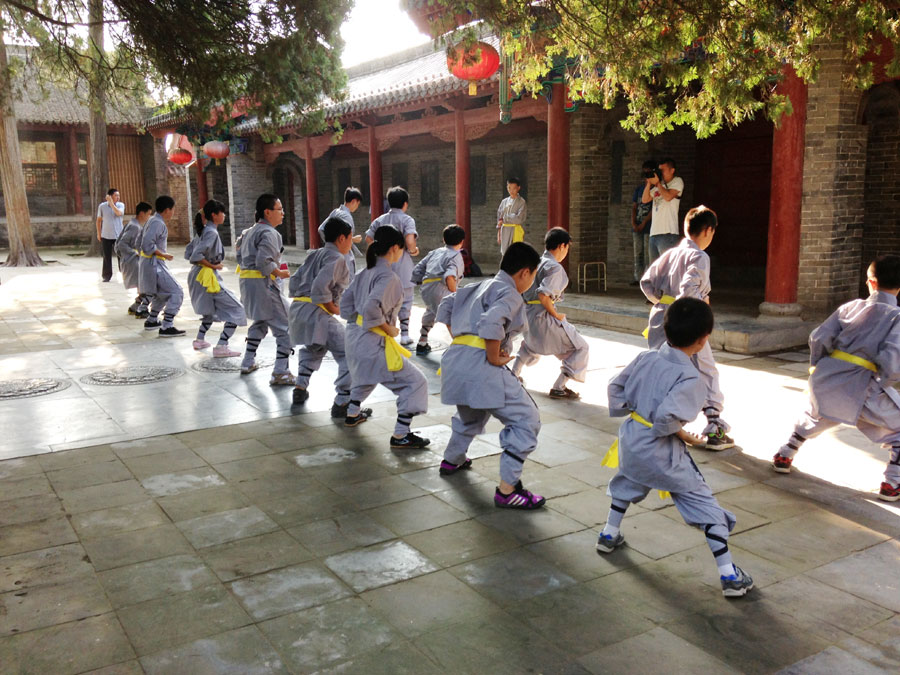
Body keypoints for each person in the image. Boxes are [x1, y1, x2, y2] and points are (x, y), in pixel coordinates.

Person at [598, 298, 754, 598]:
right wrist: (685, 435)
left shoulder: (646, 358)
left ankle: (608, 534)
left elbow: (614, 386)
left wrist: (633, 409)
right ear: (702, 340)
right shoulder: (691, 378)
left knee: (628, 480)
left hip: (631, 440)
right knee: (703, 503)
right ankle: (729, 576)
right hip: (661, 453)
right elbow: (667, 417)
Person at [772, 254, 900, 502]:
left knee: (815, 415)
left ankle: (784, 454)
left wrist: (817, 369)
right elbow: (892, 359)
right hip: (864, 387)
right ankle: (892, 483)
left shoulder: (849, 307)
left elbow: (818, 338)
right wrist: (882, 384)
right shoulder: (896, 317)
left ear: (870, 282)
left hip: (828, 380)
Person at [437, 241, 546, 509]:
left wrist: (463, 339)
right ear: (524, 273)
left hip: (456, 359)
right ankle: (508, 490)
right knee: (526, 419)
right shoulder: (510, 294)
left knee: (471, 413)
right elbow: (491, 321)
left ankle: (452, 459)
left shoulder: (479, 284)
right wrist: (492, 355)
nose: (530, 282)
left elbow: (446, 304)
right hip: (481, 363)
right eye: (532, 276)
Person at [640, 206, 733, 451]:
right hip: (687, 321)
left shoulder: (671, 253)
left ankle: (662, 419)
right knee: (705, 370)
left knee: (664, 370)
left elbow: (646, 282)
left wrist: (662, 301)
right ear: (709, 230)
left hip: (661, 319)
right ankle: (714, 427)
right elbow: (689, 290)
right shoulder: (699, 256)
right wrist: (699, 309)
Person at [341, 225, 430, 447]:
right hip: (372, 342)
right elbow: (372, 307)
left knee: (368, 374)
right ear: (393, 249)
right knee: (416, 382)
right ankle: (401, 434)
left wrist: (362, 321)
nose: (402, 253)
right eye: (402, 249)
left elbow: (345, 305)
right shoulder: (389, 277)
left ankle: (352, 413)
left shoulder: (364, 272)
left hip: (355, 338)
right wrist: (388, 328)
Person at [511, 227, 589, 399]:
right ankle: (559, 386)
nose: (566, 252)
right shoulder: (554, 267)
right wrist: (556, 314)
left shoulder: (535, 263)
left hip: (527, 314)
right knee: (581, 346)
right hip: (542, 315)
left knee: (530, 345)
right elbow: (543, 295)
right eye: (567, 248)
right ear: (562, 246)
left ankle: (513, 375)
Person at [289, 215, 354, 414]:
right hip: (316, 312)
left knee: (314, 347)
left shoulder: (314, 254)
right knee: (349, 351)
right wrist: (335, 309)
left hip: (298, 310)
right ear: (342, 238)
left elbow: (294, 281)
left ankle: (300, 386)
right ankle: (343, 400)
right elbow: (319, 289)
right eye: (350, 238)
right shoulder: (337, 258)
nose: (351, 244)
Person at [238, 194, 293, 385]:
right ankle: (280, 372)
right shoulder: (269, 233)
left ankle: (247, 362)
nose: (283, 213)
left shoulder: (249, 231)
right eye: (280, 209)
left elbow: (241, 255)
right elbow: (264, 262)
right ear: (267, 212)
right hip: (265, 287)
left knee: (260, 322)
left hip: (249, 286)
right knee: (286, 329)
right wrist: (279, 273)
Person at [185, 199, 247, 357]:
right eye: (222, 213)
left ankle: (199, 339)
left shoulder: (203, 231)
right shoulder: (211, 232)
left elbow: (188, 253)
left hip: (198, 276)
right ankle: (222, 345)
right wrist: (213, 266)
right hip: (206, 276)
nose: (224, 215)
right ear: (214, 215)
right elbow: (195, 255)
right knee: (238, 309)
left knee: (210, 310)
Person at [364, 186, 419, 346]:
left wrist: (381, 250)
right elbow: (409, 241)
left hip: (383, 267)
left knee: (385, 300)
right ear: (405, 204)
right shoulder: (407, 220)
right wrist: (414, 250)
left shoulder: (380, 220)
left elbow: (368, 239)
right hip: (403, 268)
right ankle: (405, 334)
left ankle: (387, 332)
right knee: (406, 301)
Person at [411, 224, 465, 355]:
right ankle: (460, 348)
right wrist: (455, 294)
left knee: (431, 311)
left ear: (444, 240)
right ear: (462, 241)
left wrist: (419, 280)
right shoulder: (456, 256)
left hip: (426, 288)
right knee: (452, 315)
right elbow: (450, 276)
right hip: (441, 289)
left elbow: (418, 269)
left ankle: (422, 342)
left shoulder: (435, 252)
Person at [138, 195, 184, 337]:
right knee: (177, 291)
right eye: (172, 209)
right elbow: (147, 244)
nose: (173, 212)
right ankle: (167, 326)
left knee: (162, 292)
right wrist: (162, 254)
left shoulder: (152, 220)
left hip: (151, 263)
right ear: (167, 210)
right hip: (154, 264)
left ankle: (152, 320)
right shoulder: (158, 223)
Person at [115, 201, 152, 318]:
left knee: (143, 286)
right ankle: (141, 309)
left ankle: (135, 306)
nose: (149, 217)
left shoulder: (133, 224)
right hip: (133, 262)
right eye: (148, 214)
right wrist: (135, 254)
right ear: (142, 213)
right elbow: (121, 244)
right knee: (147, 285)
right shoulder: (135, 227)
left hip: (132, 261)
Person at [642, 158, 683, 261]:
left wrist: (658, 184)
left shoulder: (677, 181)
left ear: (672, 170)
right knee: (654, 270)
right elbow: (645, 200)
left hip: (668, 233)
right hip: (654, 233)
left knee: (667, 269)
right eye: (658, 170)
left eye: (662, 170)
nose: (660, 173)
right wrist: (649, 183)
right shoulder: (658, 186)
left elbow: (668, 197)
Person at [318, 186, 364, 276]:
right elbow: (344, 237)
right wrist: (352, 240)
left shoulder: (335, 212)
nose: (357, 207)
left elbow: (321, 229)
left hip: (333, 253)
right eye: (358, 204)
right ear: (354, 201)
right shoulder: (347, 217)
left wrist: (331, 243)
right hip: (344, 254)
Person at [630, 161, 655, 285]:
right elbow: (634, 206)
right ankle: (637, 277)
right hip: (638, 223)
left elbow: (654, 209)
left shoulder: (655, 190)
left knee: (647, 254)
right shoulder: (639, 190)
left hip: (649, 225)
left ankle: (646, 278)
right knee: (637, 252)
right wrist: (633, 222)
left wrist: (644, 222)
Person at [97, 188, 125, 282]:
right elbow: (98, 220)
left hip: (119, 235)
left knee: (121, 256)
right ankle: (106, 276)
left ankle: (124, 274)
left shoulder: (121, 205)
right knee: (106, 256)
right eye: (116, 195)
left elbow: (118, 213)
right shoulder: (102, 206)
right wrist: (99, 233)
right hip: (106, 235)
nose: (118, 197)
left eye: (118, 195)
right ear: (110, 196)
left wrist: (112, 203)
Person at [497, 177, 527, 256]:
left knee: (516, 253)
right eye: (509, 188)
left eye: (514, 188)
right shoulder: (504, 202)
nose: (511, 191)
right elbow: (499, 219)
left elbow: (519, 219)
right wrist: (499, 233)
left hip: (515, 230)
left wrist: (506, 217)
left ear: (518, 188)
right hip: (504, 230)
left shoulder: (521, 202)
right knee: (505, 254)